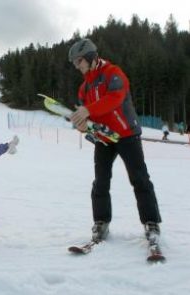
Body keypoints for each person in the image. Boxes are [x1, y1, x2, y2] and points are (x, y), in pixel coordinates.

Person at [68, 38, 162, 243]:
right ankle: (101, 222)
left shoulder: (113, 73)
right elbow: (89, 119)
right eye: (75, 63)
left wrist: (87, 111)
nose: (77, 66)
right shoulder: (83, 88)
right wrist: (84, 127)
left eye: (79, 61)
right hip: (104, 138)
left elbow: (115, 99)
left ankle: (151, 222)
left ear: (91, 57)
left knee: (139, 179)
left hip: (126, 134)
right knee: (100, 182)